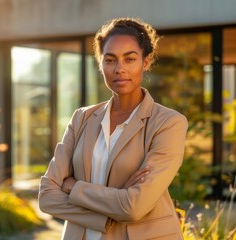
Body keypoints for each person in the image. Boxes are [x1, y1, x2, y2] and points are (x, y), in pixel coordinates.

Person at [38, 17, 188, 240]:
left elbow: (133, 207)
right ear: (100, 64)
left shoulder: (168, 123)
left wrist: (73, 186)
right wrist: (113, 206)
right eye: (110, 60)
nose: (119, 69)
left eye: (130, 59)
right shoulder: (82, 118)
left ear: (145, 62)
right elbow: (47, 197)